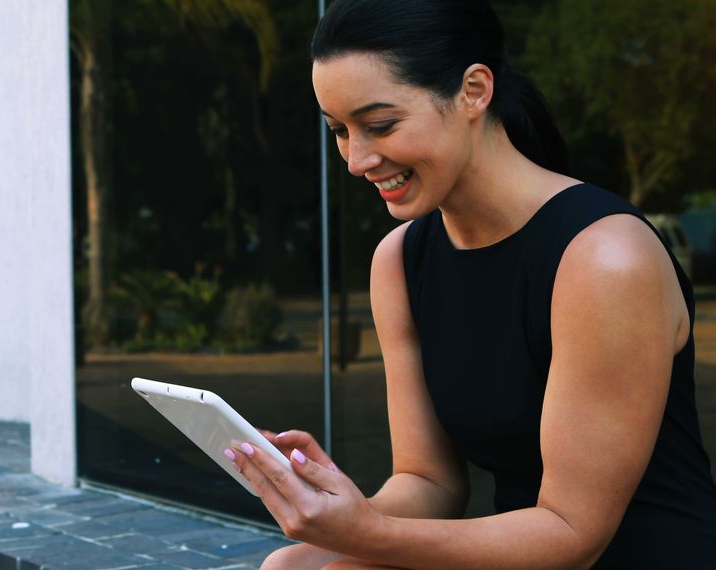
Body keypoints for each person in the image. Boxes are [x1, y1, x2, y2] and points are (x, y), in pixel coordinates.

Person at [221, 1, 716, 568]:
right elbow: (428, 482)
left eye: (380, 125)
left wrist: (364, 535)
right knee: (288, 565)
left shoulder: (605, 259)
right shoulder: (401, 260)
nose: (357, 160)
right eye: (340, 131)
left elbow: (575, 535)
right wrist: (337, 511)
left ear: (474, 91)